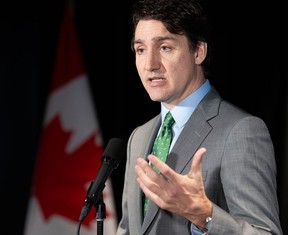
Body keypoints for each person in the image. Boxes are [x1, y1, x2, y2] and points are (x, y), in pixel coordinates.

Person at [116, 0, 283, 234]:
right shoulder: (139, 136)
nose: (150, 64)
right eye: (141, 50)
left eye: (165, 47)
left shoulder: (241, 131)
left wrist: (202, 215)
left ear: (198, 52)